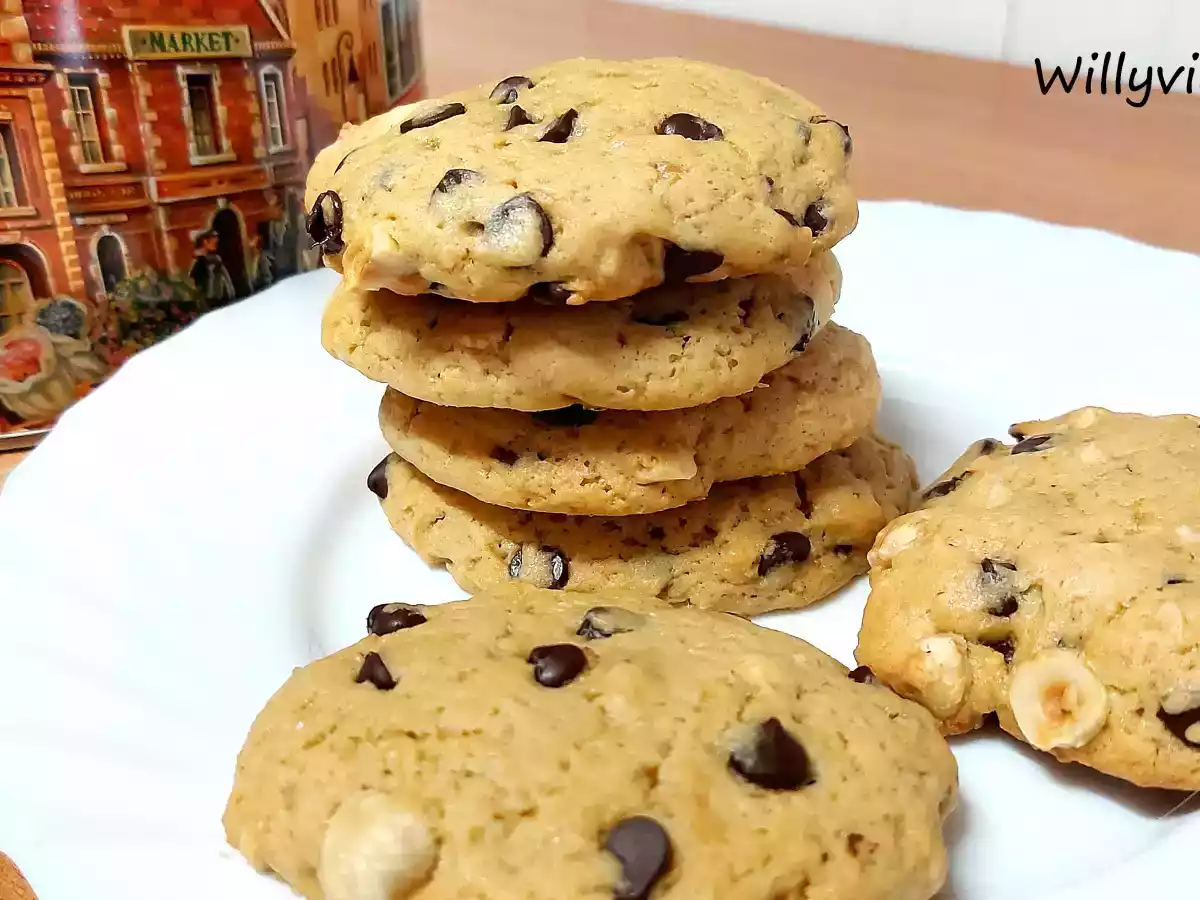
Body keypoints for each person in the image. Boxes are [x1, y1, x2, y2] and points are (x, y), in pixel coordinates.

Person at [189, 231, 236, 310]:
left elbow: (225, 281)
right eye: (213, 241)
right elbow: (195, 285)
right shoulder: (198, 262)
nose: (216, 242)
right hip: (211, 304)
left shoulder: (214, 259)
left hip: (221, 302)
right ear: (205, 242)